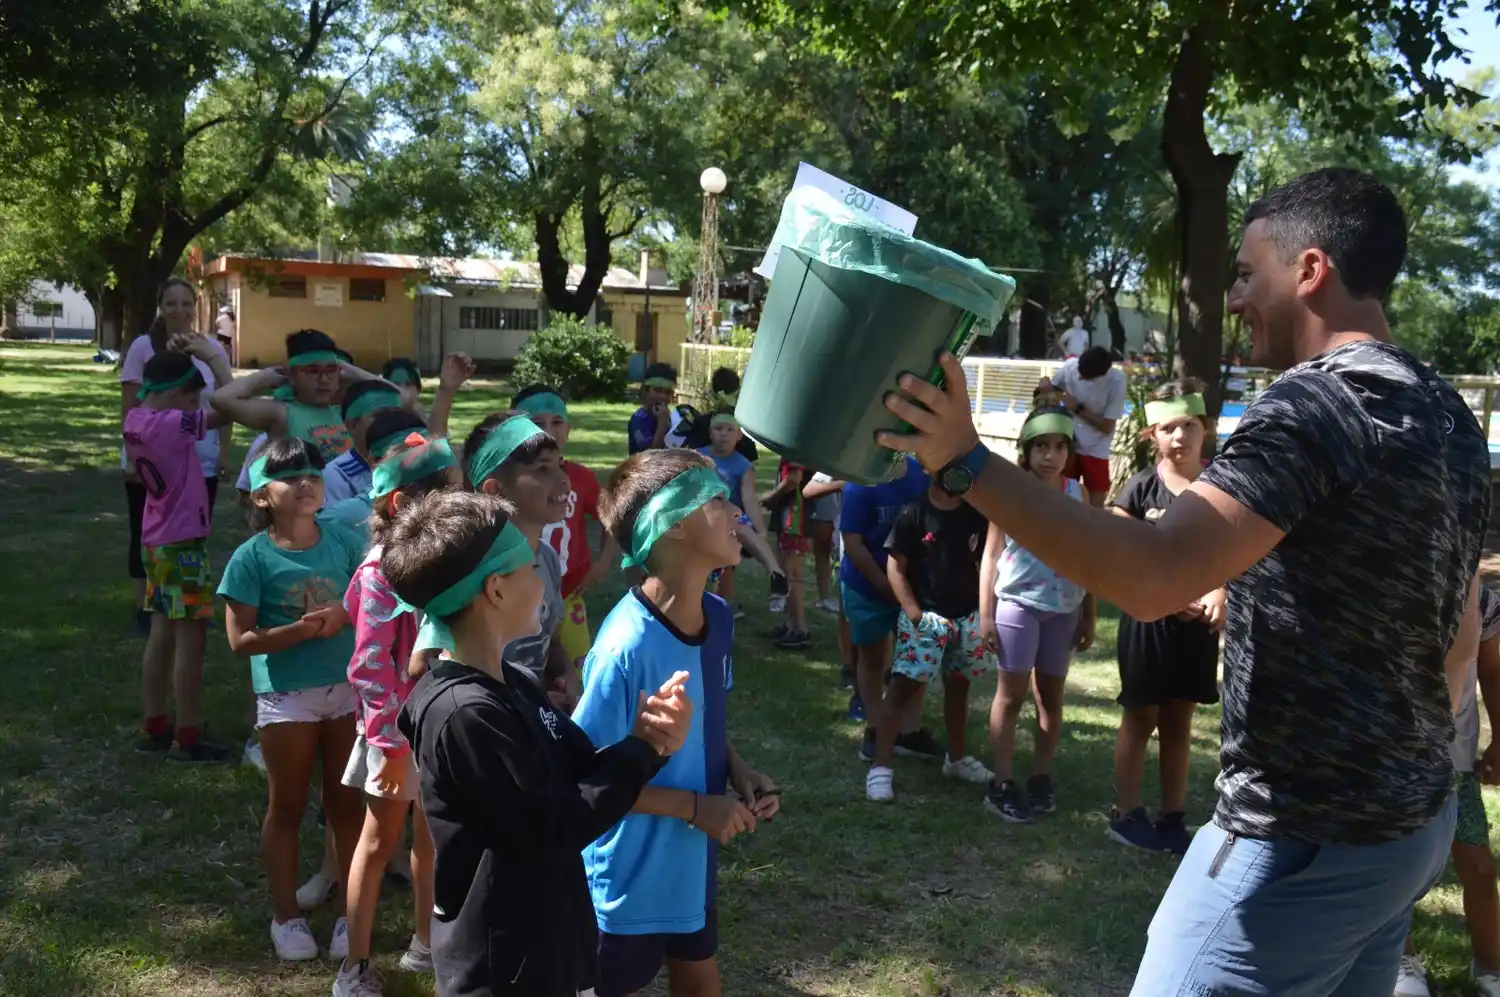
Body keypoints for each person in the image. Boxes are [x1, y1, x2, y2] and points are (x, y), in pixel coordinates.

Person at [880, 168, 1491, 995]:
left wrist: (965, 461)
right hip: (1408, 827)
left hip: (1296, 840)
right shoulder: (1448, 414)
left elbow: (1153, 575)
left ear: (1310, 271)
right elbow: (1459, 640)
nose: (1234, 299)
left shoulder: (1311, 407)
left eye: (1246, 273)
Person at [390, 490, 693, 997]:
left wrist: (650, 735)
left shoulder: (512, 681)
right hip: (504, 968)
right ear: (497, 591)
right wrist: (642, 750)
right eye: (531, 567)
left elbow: (579, 767)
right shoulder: (466, 715)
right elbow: (558, 823)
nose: (545, 581)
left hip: (548, 945)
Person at [573, 449, 780, 997]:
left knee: (698, 975)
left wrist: (738, 770)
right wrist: (694, 808)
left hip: (691, 858)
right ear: (677, 525)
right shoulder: (626, 646)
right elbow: (587, 780)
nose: (737, 511)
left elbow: (707, 715)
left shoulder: (716, 616)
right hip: (629, 879)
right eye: (717, 499)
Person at [217, 438, 368, 962]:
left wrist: (341, 618)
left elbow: (363, 601)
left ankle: (353, 913)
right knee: (287, 805)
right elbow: (241, 640)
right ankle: (287, 916)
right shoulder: (250, 558)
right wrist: (301, 632)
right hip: (287, 696)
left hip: (347, 688)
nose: (306, 483)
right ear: (261, 496)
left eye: (313, 474)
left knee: (346, 802)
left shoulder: (345, 542)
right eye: (289, 477)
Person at [333, 433, 464, 997]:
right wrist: (390, 742)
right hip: (394, 737)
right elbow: (367, 667)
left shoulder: (435, 565)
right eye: (439, 499)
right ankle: (353, 968)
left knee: (432, 838)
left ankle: (424, 945)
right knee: (376, 840)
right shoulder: (379, 575)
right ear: (398, 505)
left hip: (434, 729)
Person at [1106, 378, 1225, 855]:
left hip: (1196, 629)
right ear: (1151, 434)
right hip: (1147, 622)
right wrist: (1168, 597)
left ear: (1206, 429)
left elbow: (1233, 552)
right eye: (1170, 427)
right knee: (1141, 716)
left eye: (1189, 425)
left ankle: (1172, 816)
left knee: (1179, 720)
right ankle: (1127, 813)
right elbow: (1120, 555)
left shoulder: (1221, 487)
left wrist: (1222, 592)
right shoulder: (1137, 491)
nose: (1181, 436)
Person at [978, 407, 1095, 822]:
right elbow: (991, 555)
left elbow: (1086, 554)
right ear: (1025, 451)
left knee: (1051, 698)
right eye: (1041, 446)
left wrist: (1089, 612)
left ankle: (1040, 777)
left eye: (1059, 446)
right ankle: (1002, 781)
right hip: (1017, 605)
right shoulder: (1009, 490)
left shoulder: (1076, 494)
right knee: (1010, 696)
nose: (1050, 455)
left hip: (1064, 608)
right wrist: (985, 615)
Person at [124, 345, 236, 761]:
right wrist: (218, 362)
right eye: (192, 398)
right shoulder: (172, 424)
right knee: (191, 642)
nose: (197, 405)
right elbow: (228, 408)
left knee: (161, 635)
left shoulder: (136, 419)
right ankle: (187, 736)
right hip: (182, 545)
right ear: (175, 395)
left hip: (155, 541)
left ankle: (155, 724)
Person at [413, 413, 570, 694]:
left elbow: (547, 639)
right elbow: (422, 665)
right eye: (543, 470)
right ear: (495, 489)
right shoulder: (467, 568)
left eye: (561, 465)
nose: (564, 480)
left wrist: (561, 677)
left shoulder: (546, 558)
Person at [1396, 589, 1500, 997]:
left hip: (1454, 766)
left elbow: (1492, 670)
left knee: (1479, 868)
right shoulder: (1389, 586)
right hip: (1392, 765)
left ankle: (1491, 966)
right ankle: (1401, 962)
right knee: (1397, 869)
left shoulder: (1482, 603)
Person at [866, 476, 995, 802]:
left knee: (958, 686)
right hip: (926, 619)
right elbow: (895, 569)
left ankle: (956, 758)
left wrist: (981, 613)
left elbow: (986, 559)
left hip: (966, 618)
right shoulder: (913, 514)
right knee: (902, 689)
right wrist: (915, 615)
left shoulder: (975, 513)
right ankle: (880, 767)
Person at [119, 277, 233, 636]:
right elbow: (130, 404)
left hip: (200, 457)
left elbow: (217, 408)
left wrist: (224, 452)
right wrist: (133, 458)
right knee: (146, 530)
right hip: (156, 456)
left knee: (191, 532)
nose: (179, 310)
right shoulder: (143, 346)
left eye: (187, 303)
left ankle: (178, 603)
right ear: (160, 306)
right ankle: (151, 608)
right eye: (171, 303)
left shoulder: (208, 345)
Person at [512, 385, 619, 688]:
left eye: (556, 422)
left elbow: (611, 517)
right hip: (520, 598)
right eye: (537, 422)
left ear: (568, 429)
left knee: (575, 676)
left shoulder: (581, 478)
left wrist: (602, 564)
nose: (548, 431)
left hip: (569, 597)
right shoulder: (512, 479)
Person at [841, 456, 939, 759]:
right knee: (872, 658)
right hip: (867, 586)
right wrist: (885, 585)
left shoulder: (920, 476)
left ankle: (909, 730)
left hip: (912, 587)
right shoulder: (860, 482)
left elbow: (930, 525)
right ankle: (875, 726)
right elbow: (853, 542)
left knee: (915, 658)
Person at [212, 328, 376, 462]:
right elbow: (221, 399)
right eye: (313, 371)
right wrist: (264, 377)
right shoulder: (282, 414)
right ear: (292, 374)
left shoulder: (349, 412)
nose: (324, 379)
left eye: (331, 370)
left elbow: (400, 400)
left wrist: (358, 374)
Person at [696, 412, 766, 618]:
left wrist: (759, 530)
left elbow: (749, 499)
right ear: (710, 433)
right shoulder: (697, 458)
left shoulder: (743, 466)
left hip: (726, 527)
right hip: (697, 524)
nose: (723, 435)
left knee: (724, 570)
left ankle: (719, 609)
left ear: (739, 436)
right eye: (718, 429)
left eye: (730, 430)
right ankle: (693, 608)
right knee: (696, 570)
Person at [1038, 345, 1125, 506]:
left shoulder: (1116, 381)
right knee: (1061, 497)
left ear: (1102, 374)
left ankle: (1092, 530)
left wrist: (1076, 408)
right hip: (1070, 443)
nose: (1078, 377)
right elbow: (1050, 388)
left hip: (1096, 448)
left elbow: (1107, 426)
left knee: (1095, 504)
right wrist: (1045, 386)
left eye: (1085, 377)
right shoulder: (1070, 367)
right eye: (1079, 371)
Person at [762, 455, 812, 649]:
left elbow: (793, 479)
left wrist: (771, 496)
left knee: (790, 574)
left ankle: (800, 629)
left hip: (793, 515)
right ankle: (791, 624)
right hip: (793, 513)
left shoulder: (794, 445)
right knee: (790, 572)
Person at [628, 362, 677, 455]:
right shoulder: (639, 419)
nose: (662, 396)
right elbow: (650, 456)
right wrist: (662, 424)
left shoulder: (668, 416)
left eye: (668, 392)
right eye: (657, 390)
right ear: (644, 391)